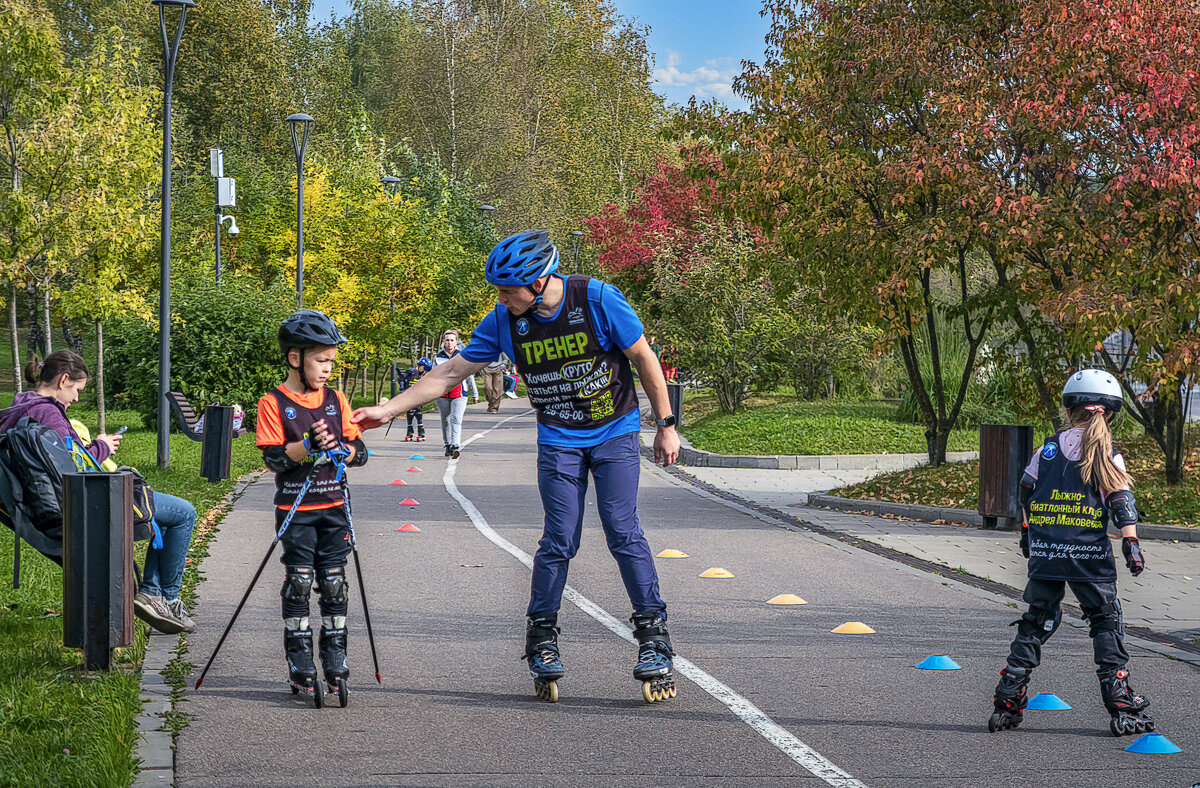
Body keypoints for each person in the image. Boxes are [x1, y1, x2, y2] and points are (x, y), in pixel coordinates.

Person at [353, 229, 682, 704]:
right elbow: (450, 372)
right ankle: (542, 639)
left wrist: (666, 424)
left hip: (614, 430)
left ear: (540, 281)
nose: (502, 300)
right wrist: (388, 410)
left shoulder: (596, 298)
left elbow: (643, 357)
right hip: (559, 438)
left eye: (508, 291)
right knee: (559, 537)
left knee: (622, 530)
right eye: (499, 292)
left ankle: (653, 639)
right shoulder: (505, 321)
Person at [988, 369, 1153, 737]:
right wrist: (1131, 544)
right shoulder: (1107, 452)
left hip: (1046, 552)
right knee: (1105, 620)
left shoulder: (1046, 450)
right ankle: (1120, 700)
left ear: (1068, 410)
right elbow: (1122, 503)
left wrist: (1028, 533)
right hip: (1088, 557)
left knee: (1037, 622)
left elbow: (1027, 492)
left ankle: (1008, 696)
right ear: (1109, 414)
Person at [0, 351, 198, 635]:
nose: (77, 399)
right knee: (183, 513)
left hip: (51, 510)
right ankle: (163, 596)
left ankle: (155, 593)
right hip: (86, 505)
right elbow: (73, 472)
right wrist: (102, 446)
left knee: (166, 512)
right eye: (77, 390)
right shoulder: (47, 413)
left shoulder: (20, 405)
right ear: (64, 380)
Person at [256, 310, 369, 701]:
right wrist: (308, 444)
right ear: (295, 358)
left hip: (335, 505)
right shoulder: (273, 402)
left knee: (335, 584)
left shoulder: (337, 399)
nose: (328, 369)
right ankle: (300, 662)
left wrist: (344, 450)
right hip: (296, 510)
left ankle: (335, 658)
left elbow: (360, 451)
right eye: (321, 360)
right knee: (300, 582)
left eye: (331, 361)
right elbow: (273, 458)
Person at [432, 329, 467, 458]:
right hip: (443, 394)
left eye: (452, 340)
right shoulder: (438, 357)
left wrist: (474, 392)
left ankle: (455, 445)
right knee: (445, 420)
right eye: (447, 340)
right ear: (443, 342)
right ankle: (447, 445)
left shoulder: (462, 356)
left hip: (460, 393)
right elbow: (434, 376)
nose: (449, 343)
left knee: (456, 419)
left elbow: (469, 375)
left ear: (456, 342)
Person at [400, 358, 433, 441]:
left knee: (418, 412)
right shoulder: (411, 372)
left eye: (426, 370)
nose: (424, 371)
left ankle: (421, 431)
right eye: (424, 368)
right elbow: (401, 379)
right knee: (410, 413)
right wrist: (402, 389)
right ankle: (410, 430)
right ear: (420, 366)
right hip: (408, 396)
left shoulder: (422, 377)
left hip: (418, 397)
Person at [458, 334, 480, 404]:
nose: (449, 342)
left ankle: (475, 395)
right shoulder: (443, 349)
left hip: (462, 367)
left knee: (470, 378)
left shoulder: (461, 346)